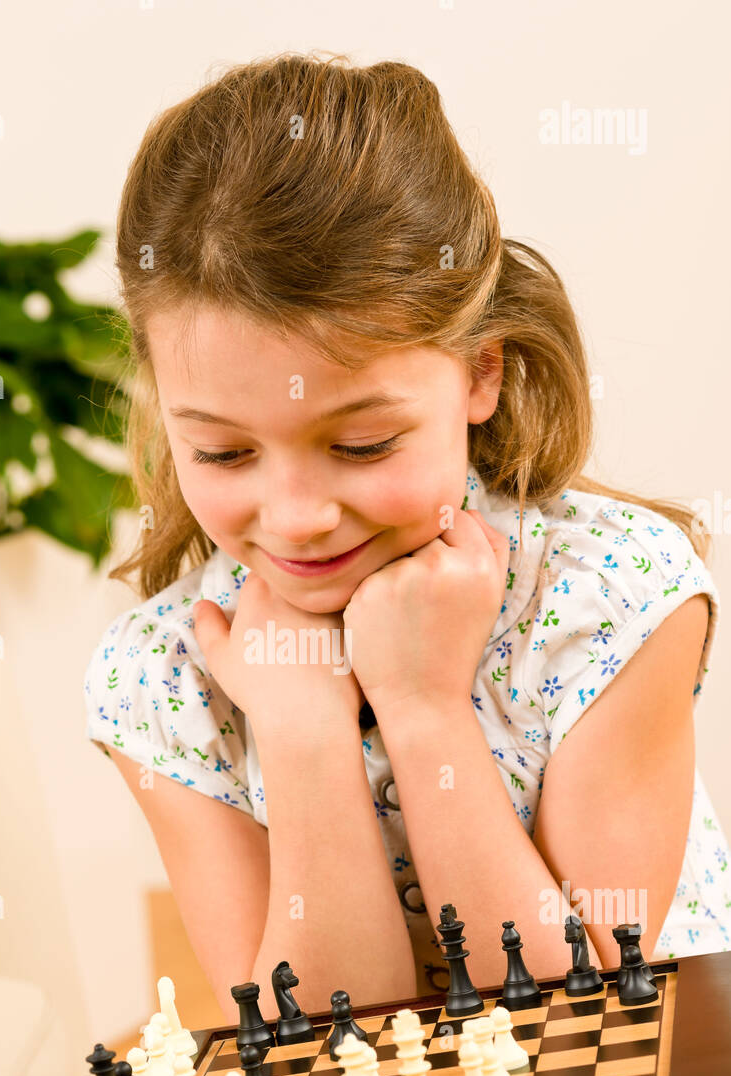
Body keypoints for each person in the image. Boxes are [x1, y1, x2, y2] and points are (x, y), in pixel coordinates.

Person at [83, 53, 729, 1019]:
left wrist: (425, 709)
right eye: (222, 453)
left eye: (361, 442)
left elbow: (581, 1014)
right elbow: (312, 1048)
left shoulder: (615, 594)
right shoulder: (163, 680)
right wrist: (301, 737)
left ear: (480, 373)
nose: (297, 515)